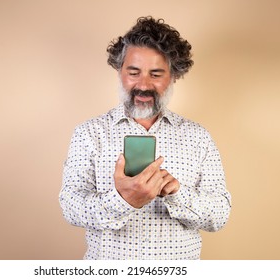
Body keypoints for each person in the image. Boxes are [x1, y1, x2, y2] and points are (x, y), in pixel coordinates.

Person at [59, 16, 231, 260]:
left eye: (156, 74)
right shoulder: (89, 133)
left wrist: (176, 192)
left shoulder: (198, 137)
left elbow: (219, 216)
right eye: (134, 72)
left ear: (174, 76)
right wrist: (123, 199)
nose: (143, 84)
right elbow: (71, 207)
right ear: (119, 72)